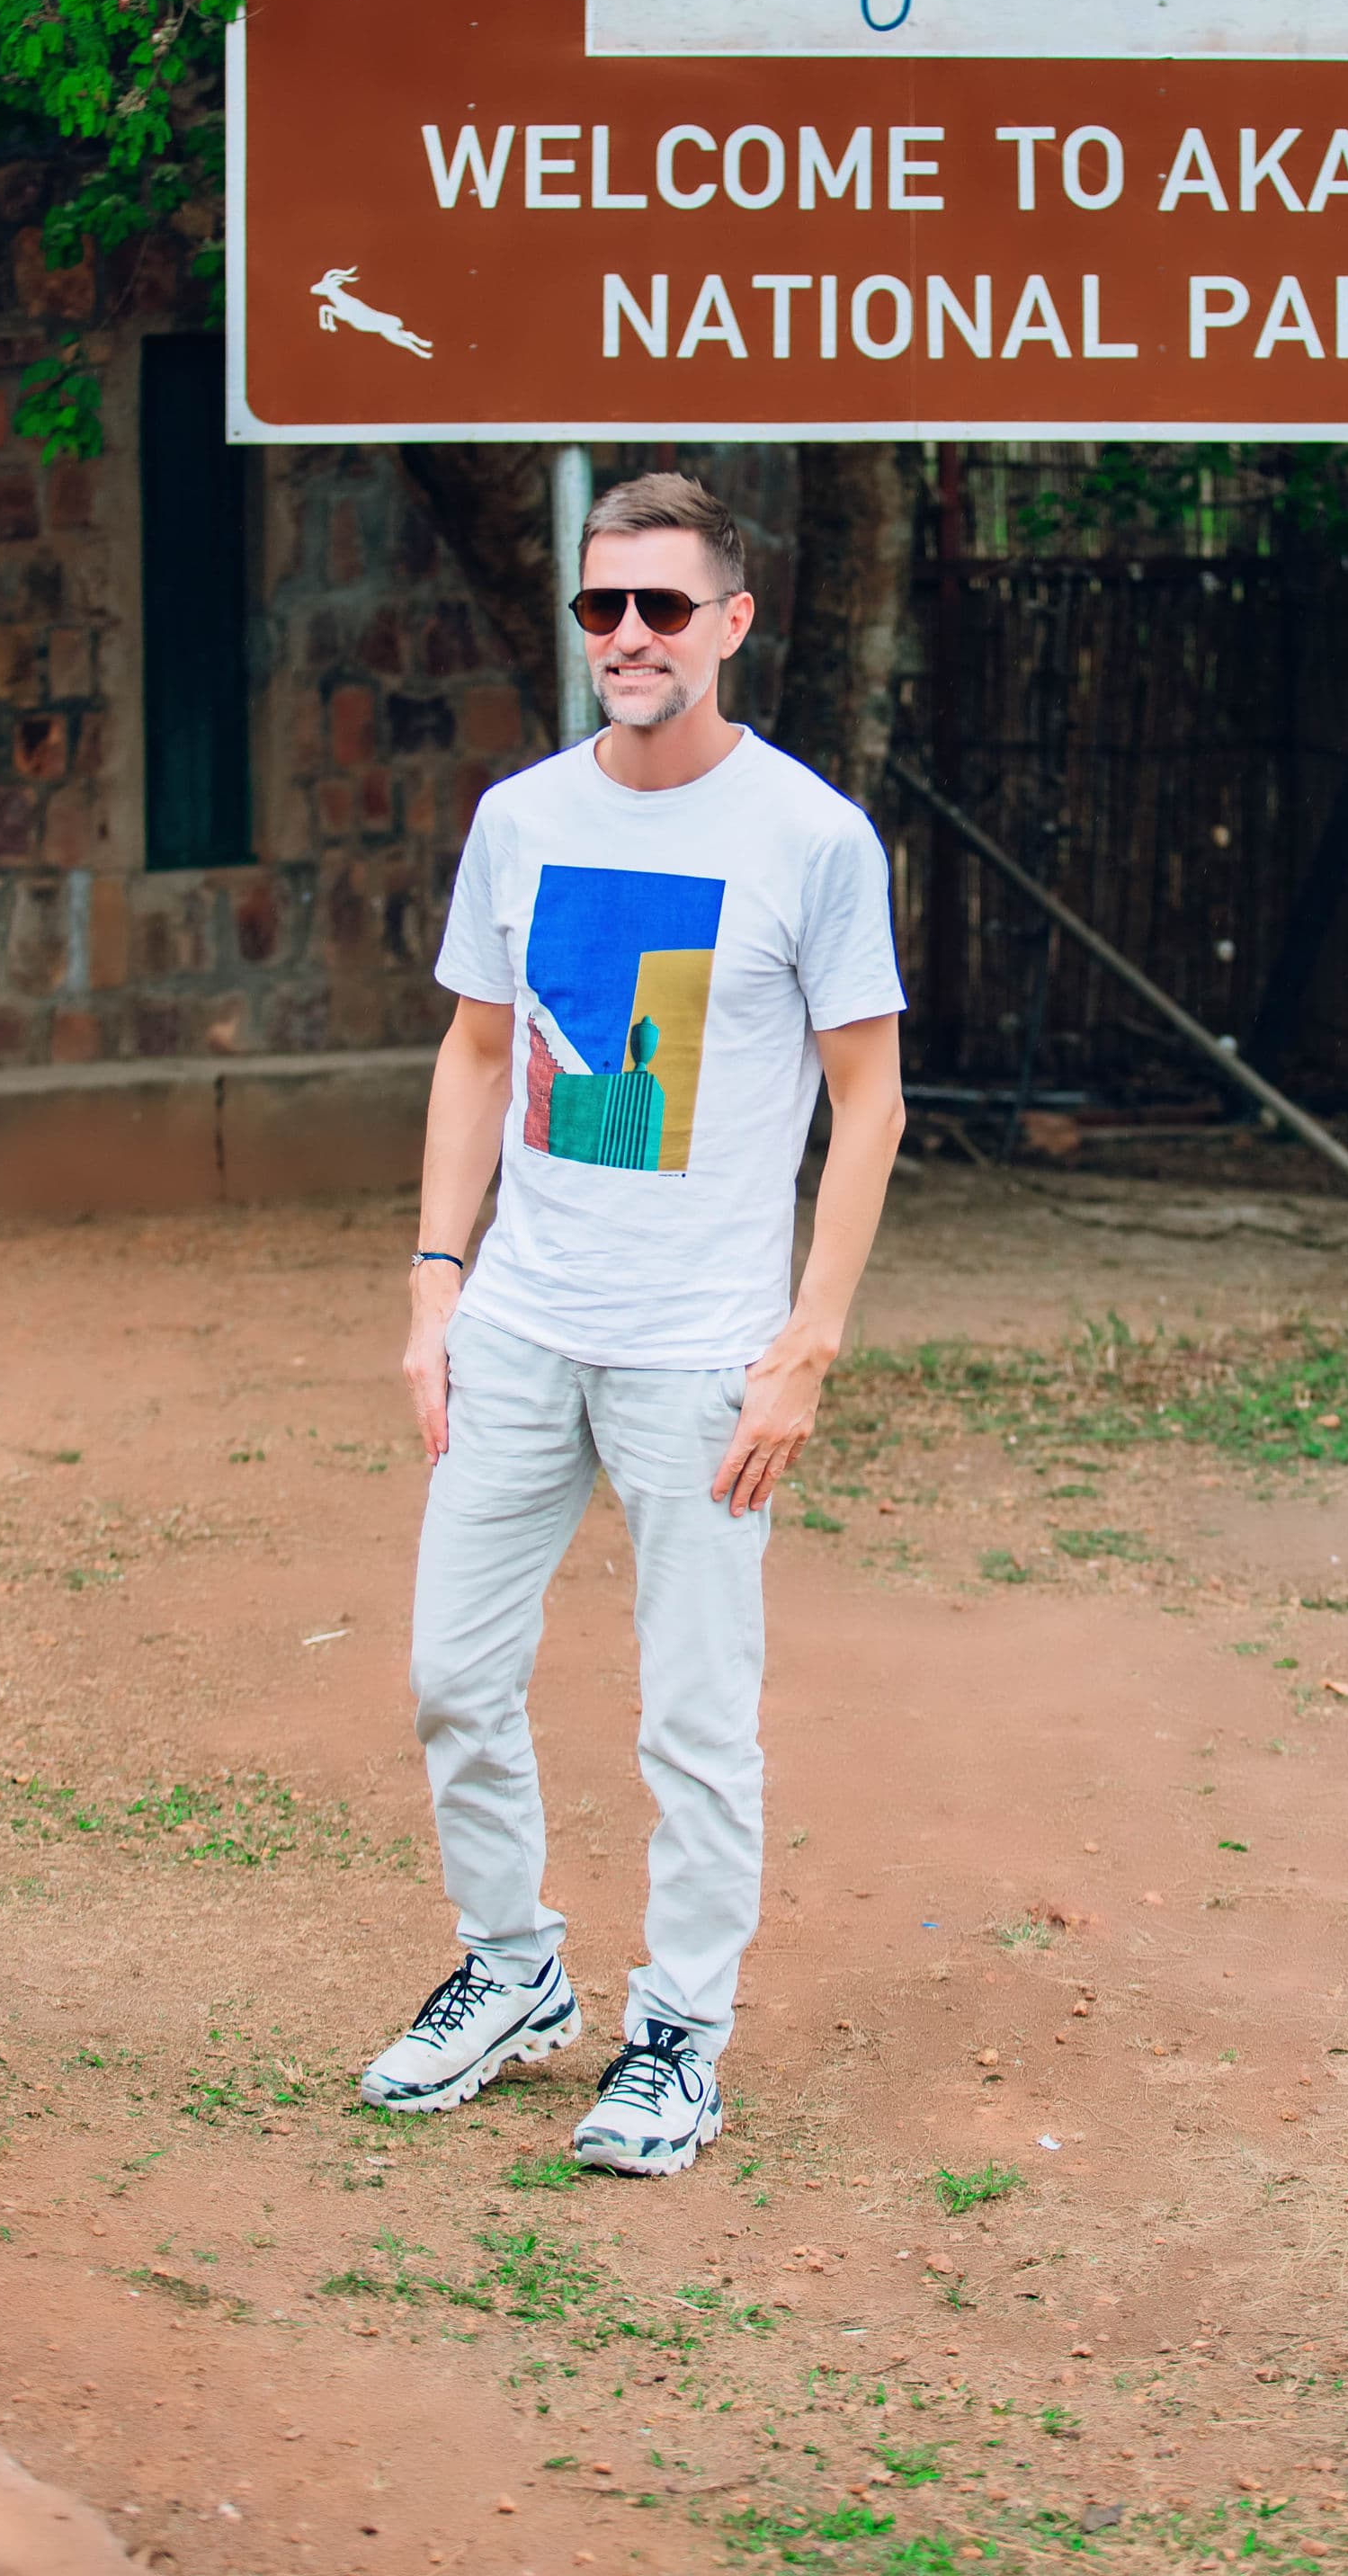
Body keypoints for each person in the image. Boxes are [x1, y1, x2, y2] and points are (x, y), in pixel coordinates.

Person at [362, 470, 906, 2175]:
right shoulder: (522, 818)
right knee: (452, 1673)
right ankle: (518, 1973)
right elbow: (471, 1051)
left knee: (692, 1716)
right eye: (604, 607)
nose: (627, 637)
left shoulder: (807, 836)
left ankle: (678, 2035)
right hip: (521, 1324)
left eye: (663, 607)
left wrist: (806, 1342)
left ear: (733, 624)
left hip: (698, 1356)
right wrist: (437, 1280)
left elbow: (868, 1102)